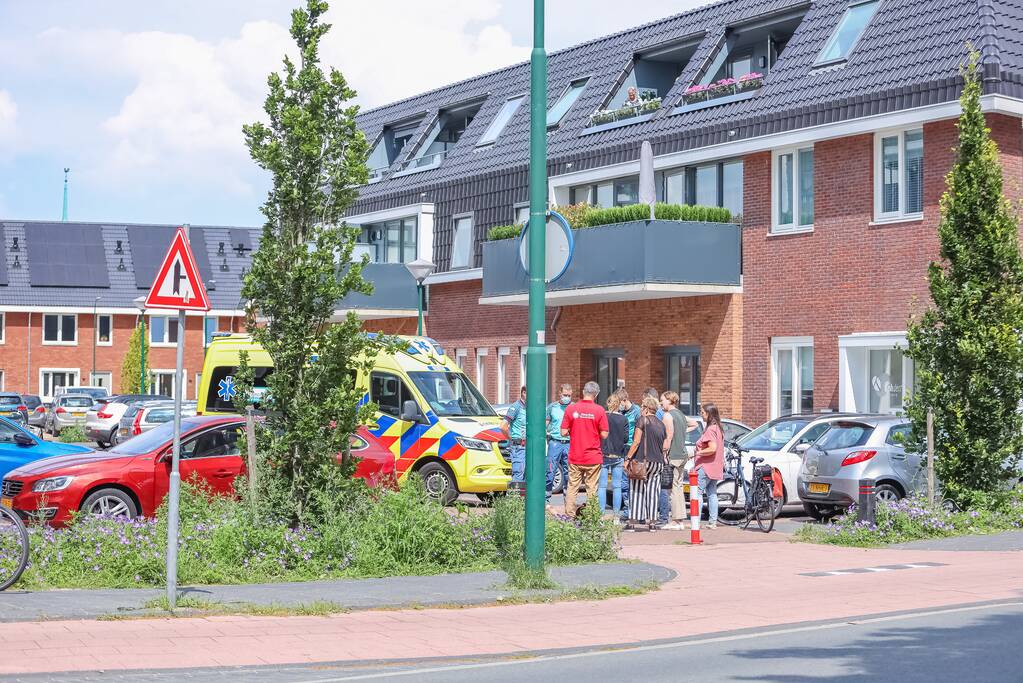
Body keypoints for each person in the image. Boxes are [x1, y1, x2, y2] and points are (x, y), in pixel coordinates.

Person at [560, 381, 609, 518]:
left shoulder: (571, 409)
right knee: (592, 489)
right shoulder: (599, 410)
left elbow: (563, 432)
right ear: (596, 394)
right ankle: (592, 516)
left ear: (583, 392)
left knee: (572, 487)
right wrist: (593, 432)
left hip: (575, 455)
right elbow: (604, 434)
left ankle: (569, 516)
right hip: (593, 457)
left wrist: (575, 430)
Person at [624, 396, 666, 530]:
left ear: (647, 408)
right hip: (658, 462)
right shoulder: (661, 424)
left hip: (642, 461)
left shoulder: (642, 420)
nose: (641, 409)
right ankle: (652, 523)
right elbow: (664, 445)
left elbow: (636, 442)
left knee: (636, 490)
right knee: (653, 492)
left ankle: (632, 522)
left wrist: (628, 458)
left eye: (642, 406)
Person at [660, 391, 699, 530]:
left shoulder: (668, 415)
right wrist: (683, 431)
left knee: (673, 489)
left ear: (670, 400)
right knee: (678, 486)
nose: (661, 402)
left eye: (663, 400)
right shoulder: (681, 415)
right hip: (682, 454)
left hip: (673, 455)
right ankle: (680, 519)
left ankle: (676, 521)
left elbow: (668, 437)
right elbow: (694, 424)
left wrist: (664, 453)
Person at [693, 402, 725, 529]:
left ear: (709, 414)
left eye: (702, 412)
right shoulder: (718, 428)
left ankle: (697, 520)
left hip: (705, 466)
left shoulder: (710, 430)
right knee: (712, 493)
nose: (701, 415)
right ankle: (712, 522)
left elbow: (712, 448)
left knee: (698, 493)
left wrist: (698, 452)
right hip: (716, 466)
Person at [599, 392, 628, 518]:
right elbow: (626, 438)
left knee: (602, 486)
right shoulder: (623, 419)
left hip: (603, 453)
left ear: (608, 403)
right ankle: (616, 515)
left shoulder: (603, 416)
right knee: (617, 486)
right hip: (618, 454)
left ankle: (600, 515)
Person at [545, 384, 573, 502]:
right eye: (565, 395)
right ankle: (546, 499)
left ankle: (568, 501)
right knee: (550, 470)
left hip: (569, 443)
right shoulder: (552, 407)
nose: (567, 397)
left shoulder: (574, 407)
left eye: (569, 395)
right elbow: (545, 423)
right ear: (559, 394)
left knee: (569, 472)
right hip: (555, 443)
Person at [616, 389, 640, 519]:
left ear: (625, 400)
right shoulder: (620, 411)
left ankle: (634, 510)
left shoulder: (636, 411)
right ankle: (627, 509)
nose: (619, 405)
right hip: (621, 447)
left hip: (632, 448)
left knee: (632, 480)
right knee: (623, 481)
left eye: (620, 402)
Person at [501, 386, 528, 492]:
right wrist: (511, 438)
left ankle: (522, 505)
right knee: (518, 476)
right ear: (524, 393)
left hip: (527, 446)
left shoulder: (529, 408)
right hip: (518, 446)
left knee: (526, 476)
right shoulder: (516, 407)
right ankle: (514, 503)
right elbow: (503, 426)